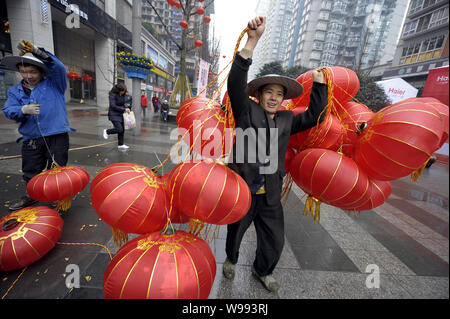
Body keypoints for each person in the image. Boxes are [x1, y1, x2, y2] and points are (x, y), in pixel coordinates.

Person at [223, 17, 328, 292]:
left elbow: (315, 116)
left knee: (274, 237)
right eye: (268, 92)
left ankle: (263, 270)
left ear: (284, 99)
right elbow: (235, 84)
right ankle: (231, 259)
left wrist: (320, 85)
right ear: (259, 94)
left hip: (270, 191)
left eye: (278, 94)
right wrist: (251, 42)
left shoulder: (287, 119)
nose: (273, 97)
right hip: (244, 187)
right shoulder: (246, 110)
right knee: (236, 230)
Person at [1, 40, 74, 211]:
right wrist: (22, 109)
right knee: (30, 168)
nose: (28, 76)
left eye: (32, 71)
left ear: (41, 72)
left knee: (57, 168)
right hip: (31, 137)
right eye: (24, 71)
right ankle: (32, 195)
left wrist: (38, 52)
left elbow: (59, 68)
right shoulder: (15, 91)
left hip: (57, 135)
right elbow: (8, 110)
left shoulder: (55, 84)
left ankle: (58, 196)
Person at [102, 83, 131, 150]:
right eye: (122, 91)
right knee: (119, 129)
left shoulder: (123, 95)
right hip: (113, 114)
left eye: (124, 91)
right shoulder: (112, 95)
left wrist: (127, 108)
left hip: (121, 114)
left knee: (122, 130)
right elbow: (113, 106)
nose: (123, 92)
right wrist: (124, 109)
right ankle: (107, 131)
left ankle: (121, 144)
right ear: (118, 90)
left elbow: (123, 104)